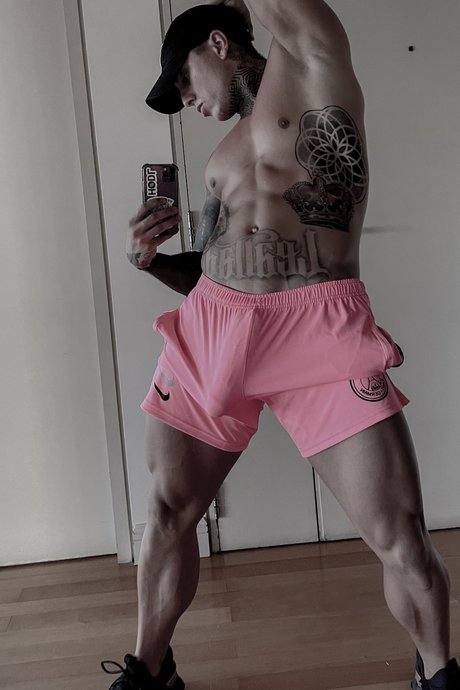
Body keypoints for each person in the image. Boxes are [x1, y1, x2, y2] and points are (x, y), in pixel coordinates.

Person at [103, 2, 459, 689]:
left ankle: (439, 673)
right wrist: (149, 263)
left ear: (218, 42)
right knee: (168, 511)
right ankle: (150, 671)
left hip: (318, 327)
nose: (186, 99)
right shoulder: (223, 157)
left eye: (184, 80)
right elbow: (212, 266)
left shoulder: (316, 65)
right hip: (216, 326)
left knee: (401, 535)